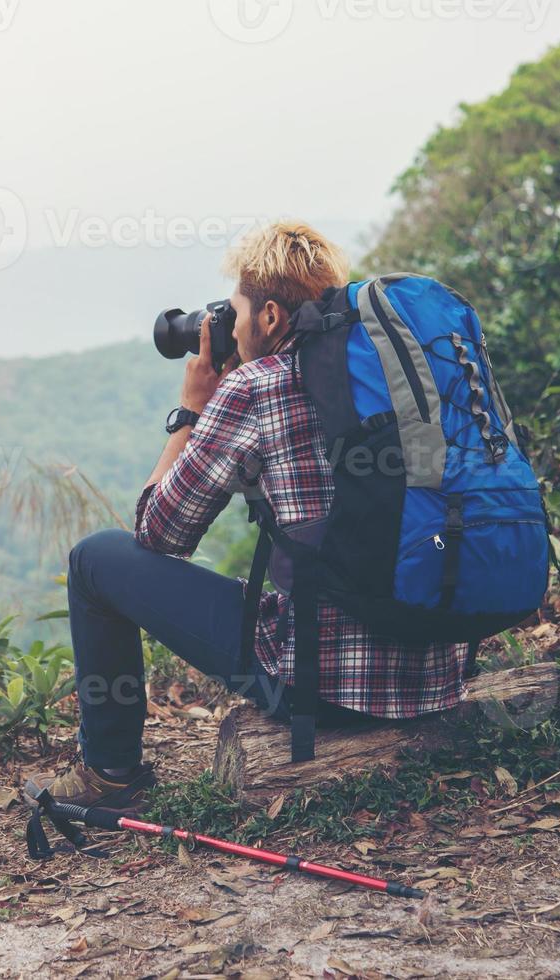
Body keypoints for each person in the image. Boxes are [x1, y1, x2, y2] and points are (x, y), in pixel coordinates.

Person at [33, 220, 470, 811]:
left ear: (269, 318)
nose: (231, 326)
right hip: (435, 666)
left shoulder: (256, 388)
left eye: (237, 311)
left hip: (324, 687)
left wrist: (191, 411)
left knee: (95, 560)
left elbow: (158, 532)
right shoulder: (401, 373)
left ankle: (112, 777)